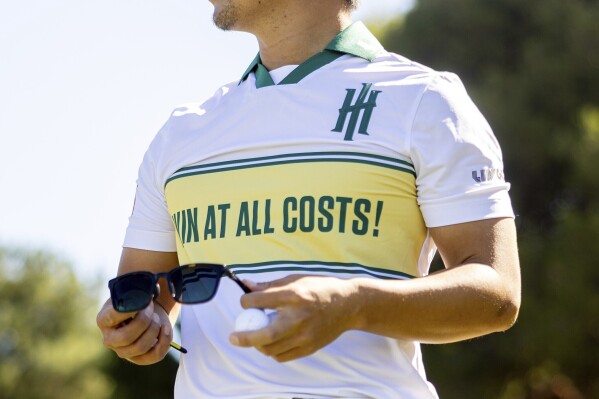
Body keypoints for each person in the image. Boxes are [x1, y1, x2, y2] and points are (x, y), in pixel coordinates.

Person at [96, 0, 521, 397]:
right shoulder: (180, 134)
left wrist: (354, 304)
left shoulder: (425, 100)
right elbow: (146, 301)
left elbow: (497, 292)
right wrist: (138, 325)